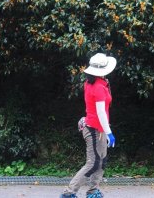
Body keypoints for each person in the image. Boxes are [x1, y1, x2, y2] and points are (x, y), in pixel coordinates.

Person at [60, 53, 117, 198]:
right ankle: (69, 192)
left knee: (102, 160)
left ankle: (93, 191)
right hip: (93, 129)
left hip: (100, 128)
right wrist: (109, 133)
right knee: (93, 163)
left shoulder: (97, 82)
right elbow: (100, 113)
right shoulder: (97, 86)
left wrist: (105, 131)